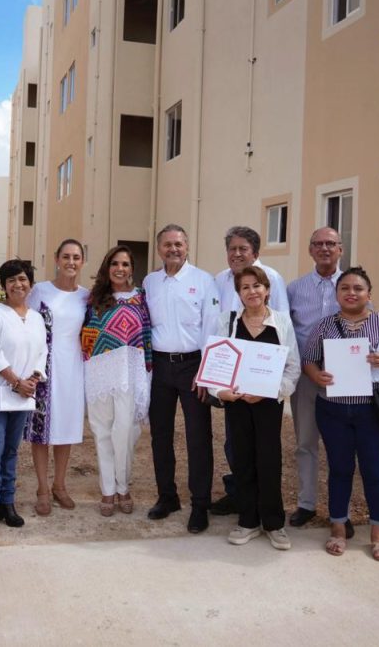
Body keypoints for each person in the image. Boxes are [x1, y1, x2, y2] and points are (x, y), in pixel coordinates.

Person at [302, 266, 379, 562]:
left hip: (374, 411)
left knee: (375, 470)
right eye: (345, 288)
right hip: (333, 409)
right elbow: (309, 360)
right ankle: (338, 527)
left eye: (358, 288)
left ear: (369, 293)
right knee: (339, 468)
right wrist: (316, 375)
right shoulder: (324, 325)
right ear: (337, 293)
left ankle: (378, 532)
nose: (351, 293)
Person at [213, 267, 301, 550]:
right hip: (237, 403)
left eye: (257, 286)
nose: (251, 291)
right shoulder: (227, 322)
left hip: (268, 405)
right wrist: (220, 392)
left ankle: (274, 523)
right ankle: (248, 521)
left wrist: (270, 391)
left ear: (267, 289)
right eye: (245, 287)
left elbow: (293, 368)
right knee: (242, 459)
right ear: (238, 294)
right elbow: (216, 364)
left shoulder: (282, 322)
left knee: (269, 460)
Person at [143, 224, 221, 534]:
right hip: (160, 367)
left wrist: (206, 372)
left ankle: (200, 504)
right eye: (167, 244)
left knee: (198, 437)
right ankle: (168, 497)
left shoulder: (204, 281)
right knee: (160, 435)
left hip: (193, 366)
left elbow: (212, 328)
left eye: (178, 244)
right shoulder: (150, 282)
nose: (173, 249)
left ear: (187, 246)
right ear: (159, 248)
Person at [211, 226, 289, 516]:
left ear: (255, 252)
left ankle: (264, 507)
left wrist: (271, 385)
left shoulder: (272, 278)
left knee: (265, 449)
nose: (237, 253)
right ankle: (241, 499)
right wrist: (215, 380)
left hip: (263, 380)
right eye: (232, 248)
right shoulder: (219, 279)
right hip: (232, 382)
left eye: (243, 248)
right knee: (236, 443)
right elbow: (217, 328)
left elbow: (280, 330)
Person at [0, 259, 48, 534]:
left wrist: (33, 379)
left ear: (31, 283)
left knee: (11, 451)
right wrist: (16, 381)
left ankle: (8, 503)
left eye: (23, 279)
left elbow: (42, 352)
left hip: (23, 394)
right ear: (4, 286)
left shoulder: (36, 318)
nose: (18, 284)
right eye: (11, 280)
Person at [82, 246, 152, 515]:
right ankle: (108, 490)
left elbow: (147, 335)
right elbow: (83, 333)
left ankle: (124, 485)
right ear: (107, 267)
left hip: (129, 372)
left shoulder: (141, 298)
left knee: (126, 432)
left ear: (132, 269)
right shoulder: (93, 298)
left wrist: (148, 370)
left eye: (125, 264)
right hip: (99, 372)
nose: (120, 269)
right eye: (115, 263)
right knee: (102, 432)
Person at [26, 239, 90, 515]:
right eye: (66, 256)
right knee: (40, 431)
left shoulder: (86, 296)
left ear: (82, 261)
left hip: (73, 367)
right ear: (56, 259)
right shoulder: (40, 291)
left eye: (76, 257)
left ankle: (60, 486)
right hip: (44, 367)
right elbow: (22, 319)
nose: (71, 262)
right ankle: (42, 488)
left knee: (66, 427)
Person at [286, 227, 344, 529]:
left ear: (340, 249)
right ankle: (307, 503)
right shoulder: (294, 289)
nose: (324, 248)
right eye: (318, 244)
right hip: (306, 376)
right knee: (306, 441)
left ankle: (340, 510)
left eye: (330, 244)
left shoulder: (351, 285)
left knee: (340, 445)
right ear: (310, 250)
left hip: (342, 377)